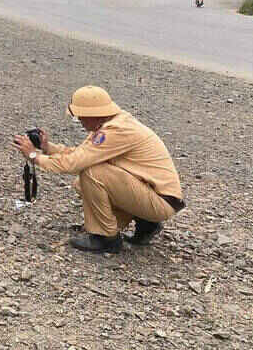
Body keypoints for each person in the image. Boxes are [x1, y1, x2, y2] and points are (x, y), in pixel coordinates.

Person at [12, 86, 184, 254]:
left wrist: (34, 156)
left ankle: (106, 238)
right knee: (82, 183)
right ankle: (146, 223)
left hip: (160, 202)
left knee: (92, 173)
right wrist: (48, 148)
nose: (79, 120)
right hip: (157, 196)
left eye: (80, 116)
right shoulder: (113, 123)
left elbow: (74, 164)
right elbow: (81, 154)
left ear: (93, 114)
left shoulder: (116, 131)